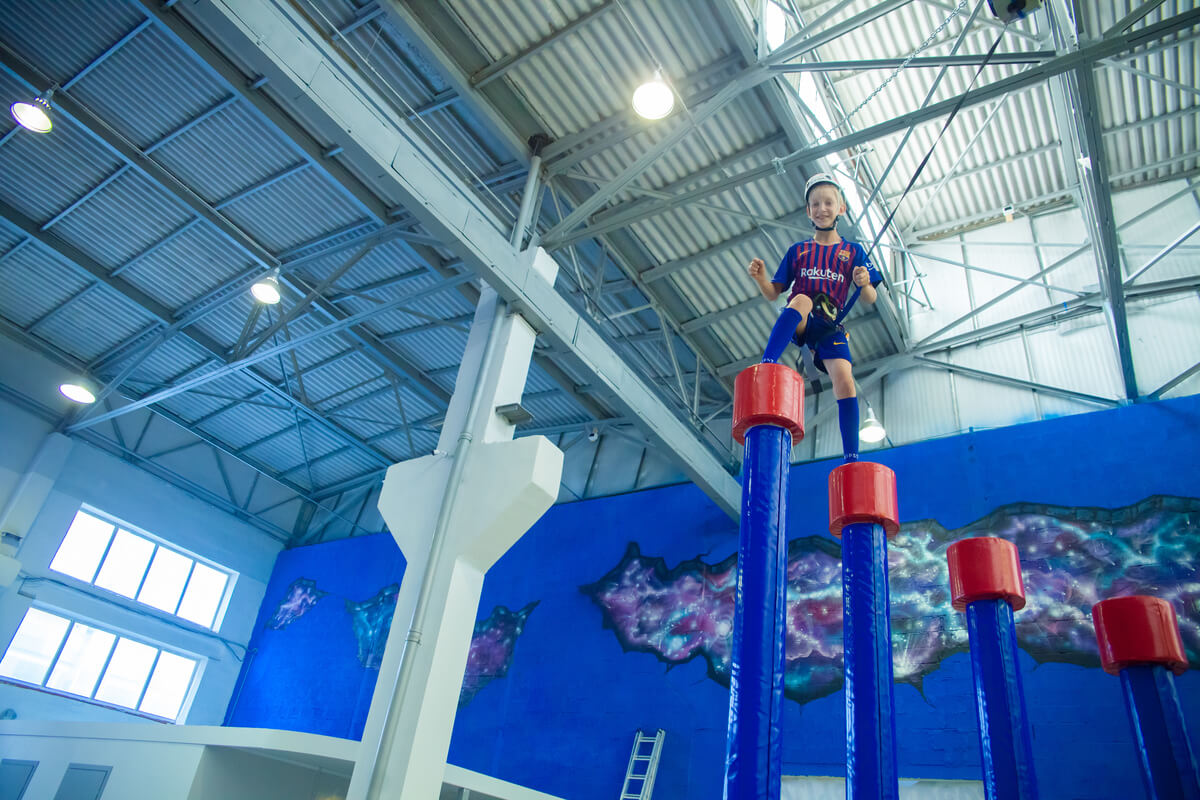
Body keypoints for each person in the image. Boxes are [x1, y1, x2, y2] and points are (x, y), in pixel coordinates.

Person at [747, 173, 882, 462]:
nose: (822, 209)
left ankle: (851, 457)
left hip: (831, 328)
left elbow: (871, 298)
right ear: (808, 211)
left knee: (845, 380)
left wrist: (864, 283)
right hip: (803, 320)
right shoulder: (798, 251)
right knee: (802, 299)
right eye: (816, 204)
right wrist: (760, 279)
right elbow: (773, 293)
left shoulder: (853, 252)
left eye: (828, 203)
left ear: (841, 207)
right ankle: (768, 364)